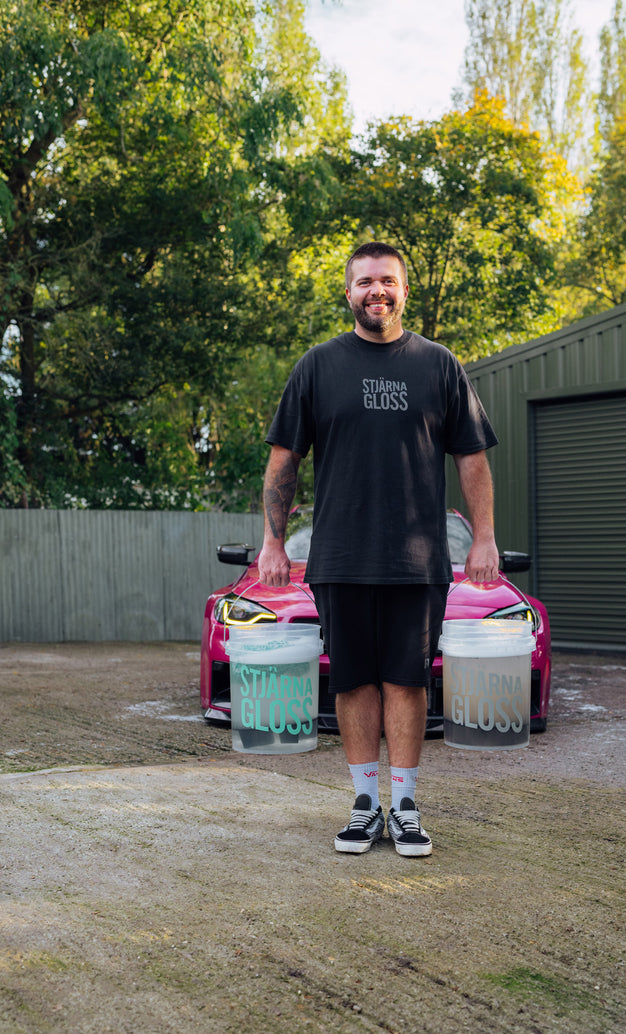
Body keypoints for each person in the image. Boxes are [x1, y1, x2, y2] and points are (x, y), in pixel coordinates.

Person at [257, 242, 499, 857]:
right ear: (348, 293)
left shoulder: (439, 365)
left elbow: (472, 458)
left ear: (404, 291)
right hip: (340, 555)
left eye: (387, 281)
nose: (376, 292)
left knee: (407, 680)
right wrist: (273, 540)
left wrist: (486, 537)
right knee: (355, 680)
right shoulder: (317, 366)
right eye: (365, 282)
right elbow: (283, 458)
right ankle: (366, 805)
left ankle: (406, 804)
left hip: (416, 560)